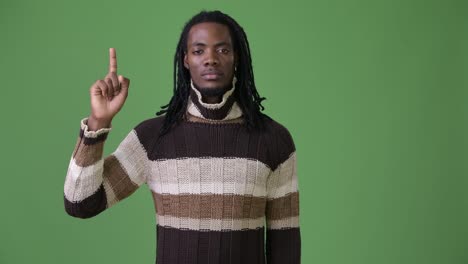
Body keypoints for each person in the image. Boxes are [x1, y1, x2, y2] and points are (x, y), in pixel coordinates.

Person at [63, 10, 301, 264]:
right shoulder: (153, 138)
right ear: (185, 60)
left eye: (222, 50)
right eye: (198, 51)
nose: (210, 59)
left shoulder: (273, 140)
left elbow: (284, 244)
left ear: (237, 57)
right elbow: (80, 203)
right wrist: (98, 121)